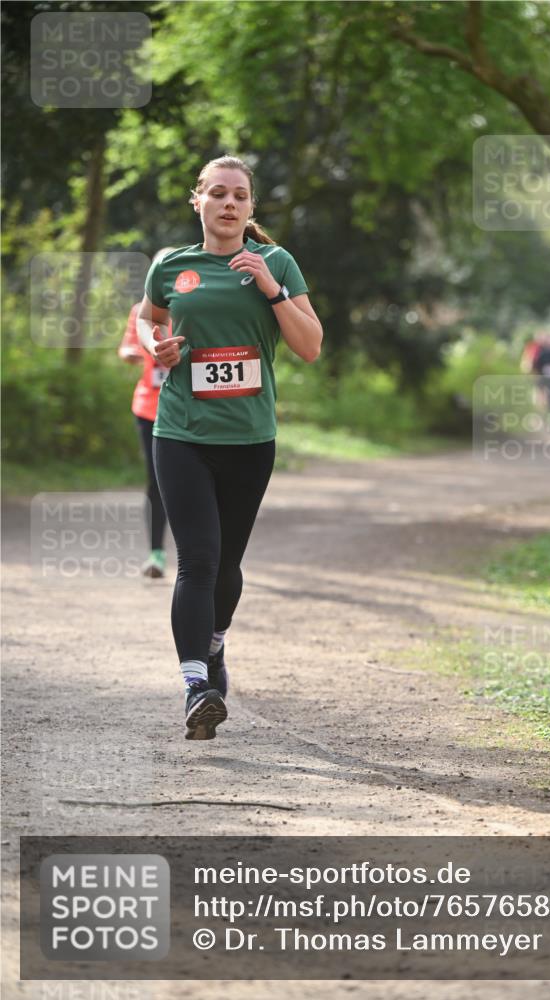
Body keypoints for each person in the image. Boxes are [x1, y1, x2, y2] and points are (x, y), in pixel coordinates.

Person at [136, 155, 323, 740]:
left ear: (250, 207)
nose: (229, 203)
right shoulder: (172, 265)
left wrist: (270, 289)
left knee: (229, 566)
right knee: (198, 560)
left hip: (249, 438)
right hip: (182, 434)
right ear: (199, 201)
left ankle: (215, 646)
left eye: (239, 195)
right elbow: (146, 319)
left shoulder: (276, 262)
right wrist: (156, 345)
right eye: (217, 193)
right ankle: (196, 686)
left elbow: (310, 346)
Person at [118, 248, 175, 578]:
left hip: (188, 407)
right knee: (156, 481)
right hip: (148, 409)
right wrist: (132, 353)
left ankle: (200, 556)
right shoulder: (140, 310)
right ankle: (156, 554)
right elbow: (127, 347)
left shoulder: (193, 307)